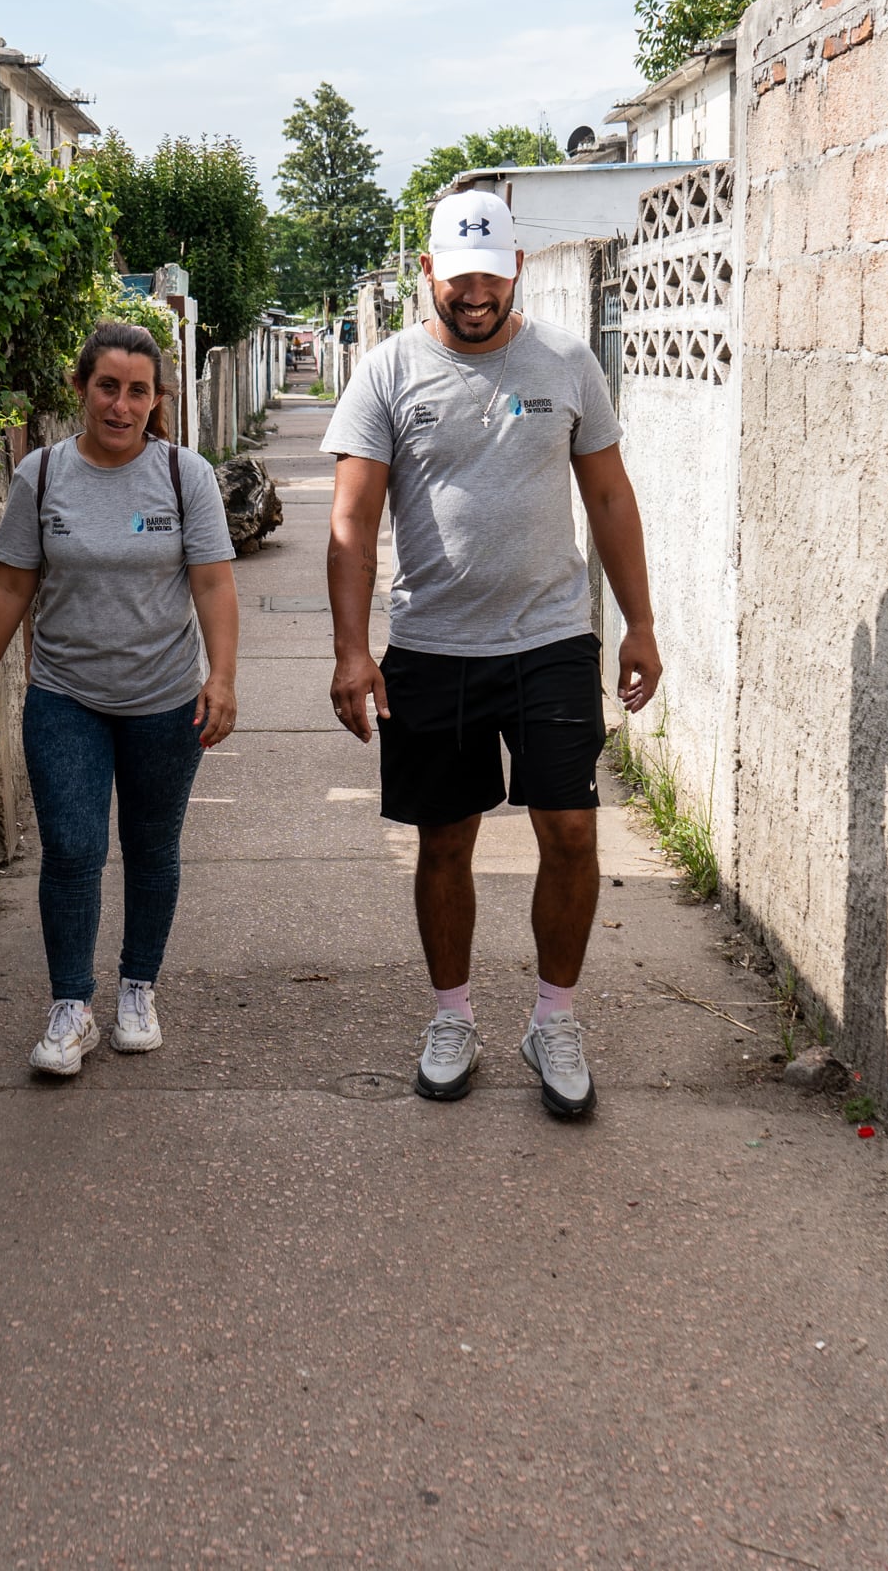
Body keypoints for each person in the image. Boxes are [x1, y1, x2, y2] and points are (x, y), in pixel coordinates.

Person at [323, 189, 660, 1120]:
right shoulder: (388, 372)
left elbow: (610, 500)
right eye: (457, 276)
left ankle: (553, 1018)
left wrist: (639, 621)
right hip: (432, 648)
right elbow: (351, 526)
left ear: (516, 269)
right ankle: (453, 1015)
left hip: (550, 639)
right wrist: (354, 653)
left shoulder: (565, 361)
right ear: (428, 272)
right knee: (445, 843)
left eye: (491, 275)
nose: (474, 293)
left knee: (572, 832)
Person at [0, 321, 240, 1076]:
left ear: (157, 399)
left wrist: (222, 678)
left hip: (164, 700)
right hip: (65, 696)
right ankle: (71, 1008)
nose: (121, 405)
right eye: (107, 387)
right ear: (80, 387)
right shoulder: (42, 477)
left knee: (151, 848)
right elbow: (13, 582)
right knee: (75, 849)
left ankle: (138, 991)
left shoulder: (187, 478)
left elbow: (213, 581)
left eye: (138, 391)